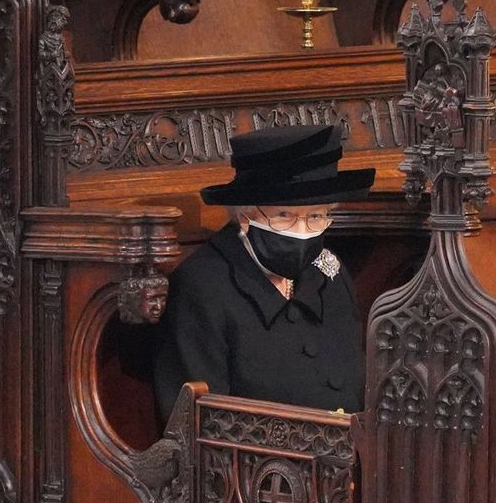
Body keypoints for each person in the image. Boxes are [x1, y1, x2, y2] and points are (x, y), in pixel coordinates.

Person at [153, 125, 375, 426]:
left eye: (316, 216)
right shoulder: (203, 286)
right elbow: (198, 425)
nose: (303, 232)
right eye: (285, 216)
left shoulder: (330, 273)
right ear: (245, 217)